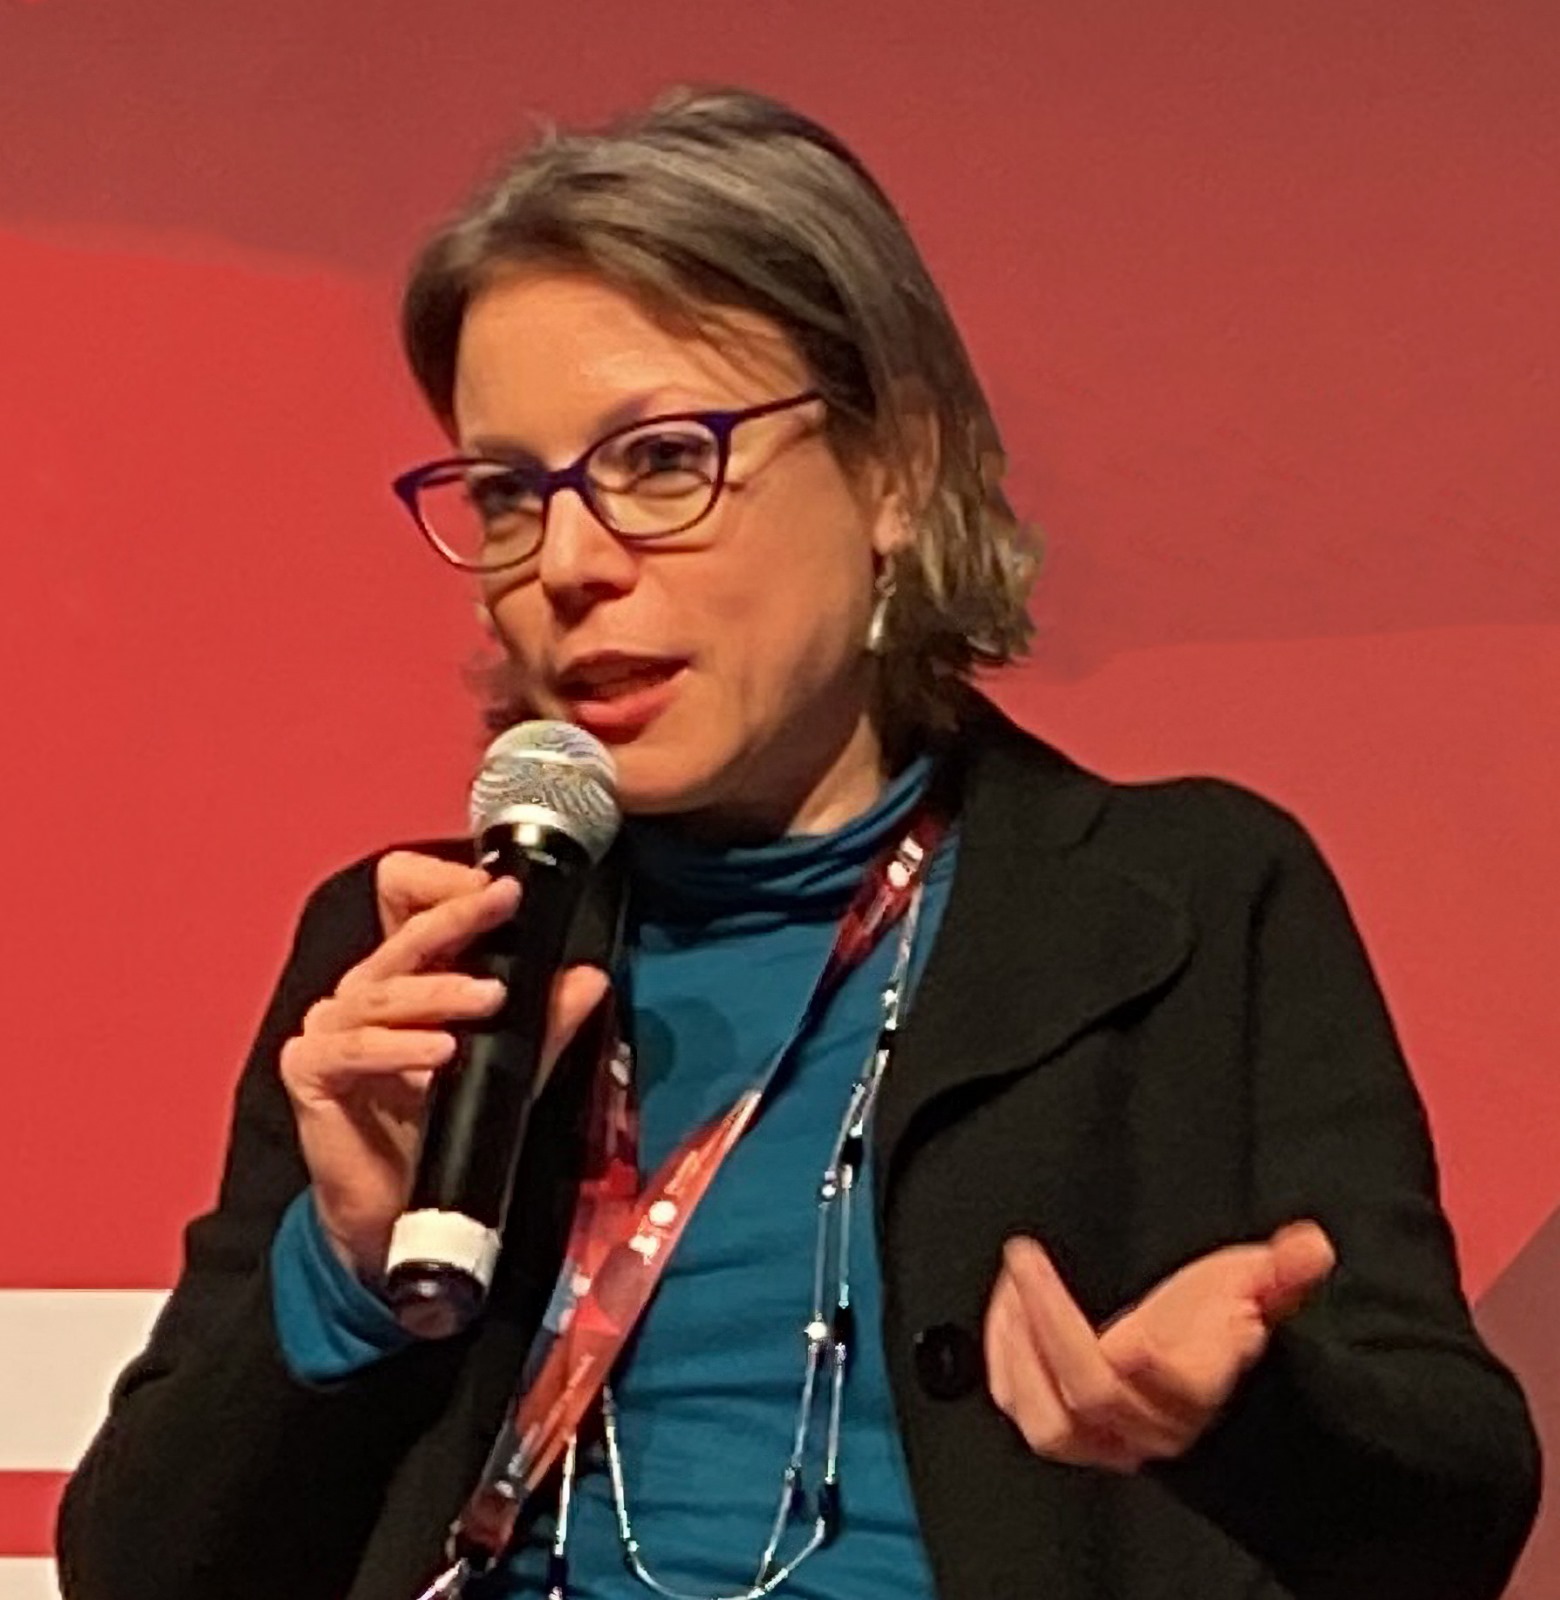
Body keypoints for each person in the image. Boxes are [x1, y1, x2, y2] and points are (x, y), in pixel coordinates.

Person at [57, 86, 1539, 1600]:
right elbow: (140, 1574)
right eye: (509, 493)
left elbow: (1455, 1508)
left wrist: (1241, 1419)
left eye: (661, 462)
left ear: (895, 471)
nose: (567, 562)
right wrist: (345, 1269)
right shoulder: (427, 953)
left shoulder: (1185, 907)